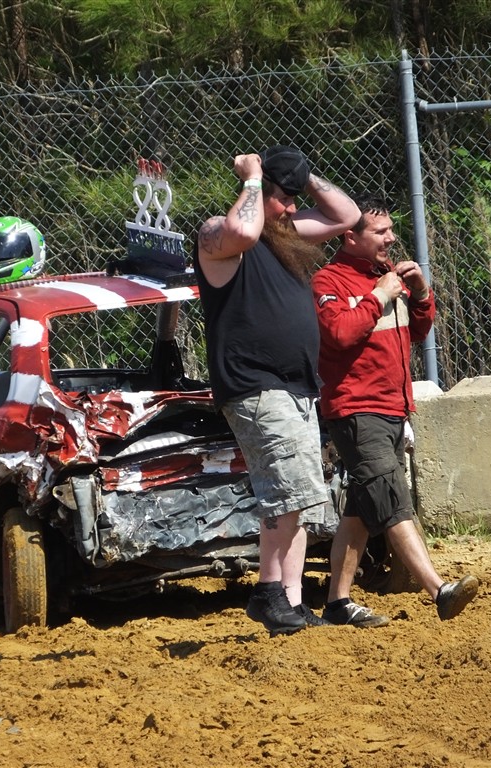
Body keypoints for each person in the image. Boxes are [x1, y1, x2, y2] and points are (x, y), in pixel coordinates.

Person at [194, 145, 360, 635]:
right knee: (286, 492)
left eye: (294, 199)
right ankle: (267, 593)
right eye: (282, 199)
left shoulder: (283, 235)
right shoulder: (217, 235)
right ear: (256, 194)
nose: (291, 208)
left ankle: (291, 600)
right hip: (255, 386)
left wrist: (301, 177)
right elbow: (243, 229)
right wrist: (252, 175)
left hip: (295, 387)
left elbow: (347, 216)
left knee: (299, 494)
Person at [312, 195, 478, 626]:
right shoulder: (329, 280)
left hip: (393, 408)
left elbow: (417, 330)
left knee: (362, 508)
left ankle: (337, 604)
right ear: (349, 237)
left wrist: (420, 292)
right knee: (390, 499)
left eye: (390, 229)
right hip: (356, 409)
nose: (390, 238)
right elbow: (339, 334)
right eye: (380, 231)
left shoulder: (387, 276)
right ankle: (439, 590)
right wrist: (378, 295)